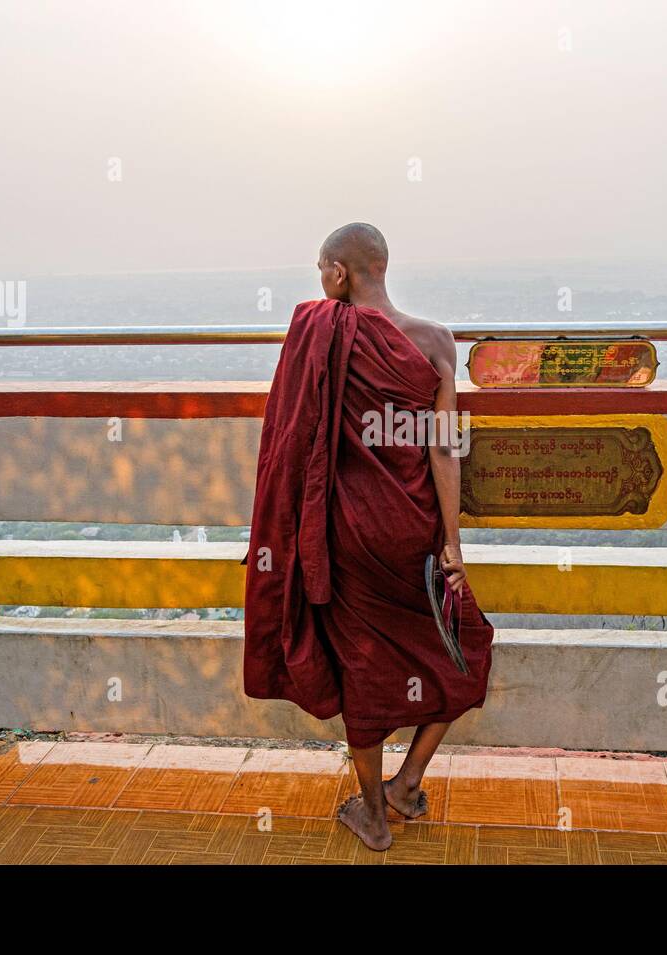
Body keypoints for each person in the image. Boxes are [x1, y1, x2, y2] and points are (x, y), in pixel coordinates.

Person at [244, 223, 494, 851]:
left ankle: (378, 811)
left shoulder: (319, 332)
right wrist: (452, 543)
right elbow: (444, 447)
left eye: (321, 271)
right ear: (383, 265)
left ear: (337, 272)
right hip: (414, 529)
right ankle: (407, 782)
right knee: (465, 645)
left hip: (348, 534)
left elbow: (292, 439)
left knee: (363, 667)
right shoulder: (437, 341)